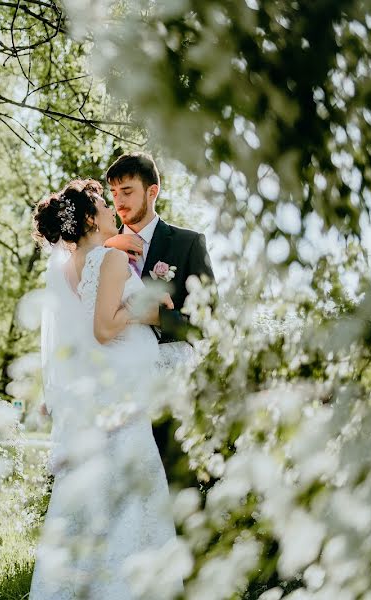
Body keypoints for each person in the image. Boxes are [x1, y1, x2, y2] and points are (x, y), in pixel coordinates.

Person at [29, 179, 181, 600]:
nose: (112, 207)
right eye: (102, 203)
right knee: (132, 501)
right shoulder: (110, 259)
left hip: (93, 401)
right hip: (122, 401)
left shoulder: (68, 265)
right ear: (92, 218)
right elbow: (103, 328)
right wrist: (147, 309)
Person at [102, 151, 215, 475]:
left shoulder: (188, 244)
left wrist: (156, 317)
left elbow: (207, 323)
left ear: (152, 191)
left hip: (168, 392)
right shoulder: (103, 249)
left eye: (127, 191)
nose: (118, 201)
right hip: (114, 389)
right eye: (113, 193)